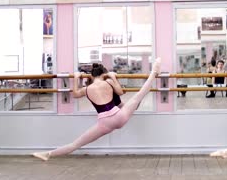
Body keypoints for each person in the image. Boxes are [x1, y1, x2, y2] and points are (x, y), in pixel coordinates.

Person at [32, 58, 161, 161]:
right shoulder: (108, 82)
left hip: (104, 123)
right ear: (104, 74)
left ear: (91, 76)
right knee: (139, 95)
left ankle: (48, 154)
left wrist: (77, 78)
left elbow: (75, 94)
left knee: (75, 144)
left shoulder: (87, 89)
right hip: (119, 116)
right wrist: (113, 77)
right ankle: (154, 72)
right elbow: (120, 91)